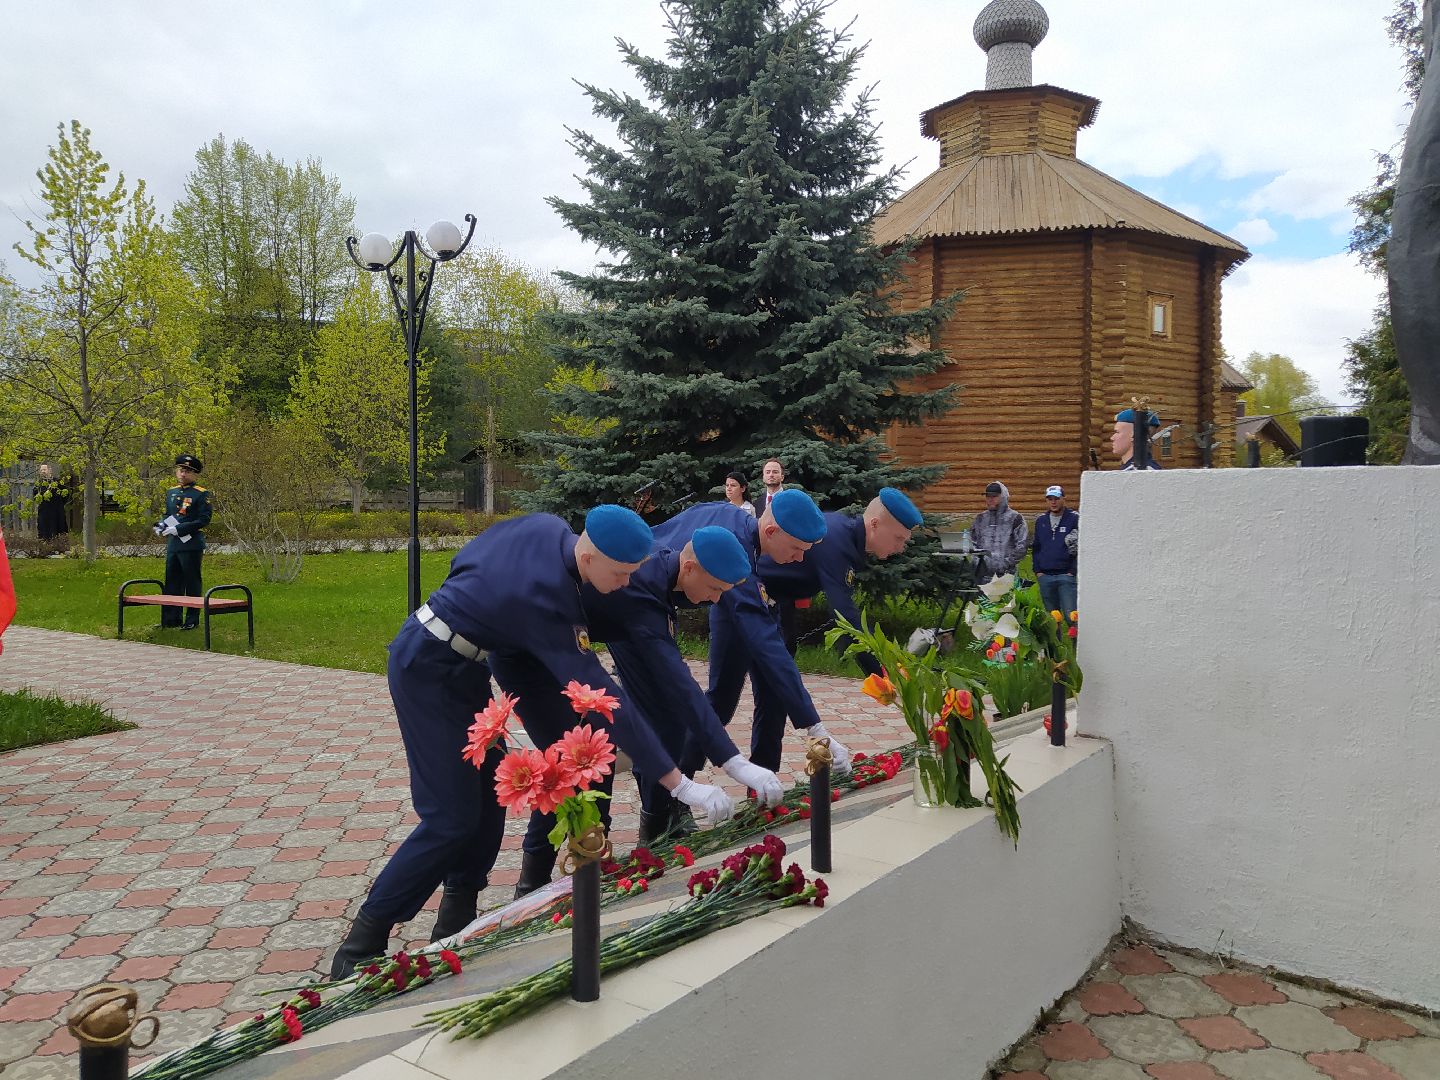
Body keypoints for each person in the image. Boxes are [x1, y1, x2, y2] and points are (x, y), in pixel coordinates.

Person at [329, 506, 735, 977]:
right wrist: (677, 782)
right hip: (426, 668)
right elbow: (605, 697)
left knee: (486, 800)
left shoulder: (548, 527)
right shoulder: (548, 599)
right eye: (621, 574)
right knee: (451, 816)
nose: (626, 584)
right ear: (588, 558)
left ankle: (455, 922)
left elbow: (470, 557)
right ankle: (363, 942)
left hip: (461, 662)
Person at [584, 525, 785, 843]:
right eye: (714, 588)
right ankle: (592, 853)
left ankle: (656, 822)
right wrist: (734, 763)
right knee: (594, 746)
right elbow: (683, 686)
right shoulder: (645, 587)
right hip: (557, 647)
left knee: (670, 723)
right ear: (690, 567)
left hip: (619, 629)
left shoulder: (672, 569)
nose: (717, 599)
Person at [652, 491, 854, 777]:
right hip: (632, 599)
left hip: (650, 599)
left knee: (709, 706)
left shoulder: (737, 522)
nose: (799, 559)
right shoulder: (734, 548)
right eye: (797, 548)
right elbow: (765, 640)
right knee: (668, 716)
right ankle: (671, 800)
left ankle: (676, 795)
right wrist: (816, 728)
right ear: (771, 530)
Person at [757, 487, 922, 676]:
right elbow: (844, 615)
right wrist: (883, 673)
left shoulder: (847, 538)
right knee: (743, 681)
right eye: (898, 538)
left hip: (773, 601)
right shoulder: (838, 541)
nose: (901, 548)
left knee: (778, 680)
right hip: (742, 592)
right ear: (875, 524)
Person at [158, 454, 212, 629]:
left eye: (187, 471)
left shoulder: (201, 494)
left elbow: (203, 519)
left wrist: (180, 529)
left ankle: (191, 619)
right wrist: (162, 525)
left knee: (191, 581)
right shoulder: (171, 492)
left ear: (194, 474)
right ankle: (171, 619)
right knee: (172, 580)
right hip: (174, 543)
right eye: (181, 470)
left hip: (191, 543)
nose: (183, 474)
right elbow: (168, 514)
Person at [1032, 485, 1079, 616]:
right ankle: (1055, 637)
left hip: (1066, 575)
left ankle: (1075, 636)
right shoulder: (1041, 521)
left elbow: (1080, 546)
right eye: (1050, 499)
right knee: (1052, 618)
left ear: (1063, 499)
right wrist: (1038, 571)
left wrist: (1072, 571)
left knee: (1072, 616)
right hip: (1045, 576)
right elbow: (1036, 547)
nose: (1053, 502)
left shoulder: (1074, 519)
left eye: (1056, 498)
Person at [969, 481, 1027, 582]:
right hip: (983, 576)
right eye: (988, 496)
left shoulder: (1015, 518)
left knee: (1005, 598)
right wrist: (978, 561)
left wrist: (1006, 563)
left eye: (994, 496)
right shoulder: (980, 519)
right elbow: (972, 543)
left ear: (1003, 497)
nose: (990, 499)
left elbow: (1022, 546)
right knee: (983, 598)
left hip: (1007, 575)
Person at [34, 465, 70, 542]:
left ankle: (60, 547)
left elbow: (65, 494)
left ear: (49, 470)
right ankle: (45, 547)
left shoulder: (57, 482)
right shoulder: (38, 484)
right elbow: (35, 496)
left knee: (59, 528)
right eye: (41, 470)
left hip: (57, 510)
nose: (43, 471)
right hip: (44, 511)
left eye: (44, 469)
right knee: (44, 529)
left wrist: (60, 503)